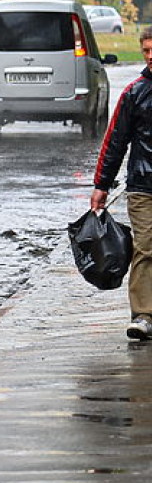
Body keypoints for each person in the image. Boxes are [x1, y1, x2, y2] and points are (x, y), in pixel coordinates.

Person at [92, 25, 152, 339]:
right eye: (146, 51)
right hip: (144, 186)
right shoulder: (134, 93)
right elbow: (115, 140)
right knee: (145, 248)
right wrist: (101, 185)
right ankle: (143, 315)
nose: (151, 56)